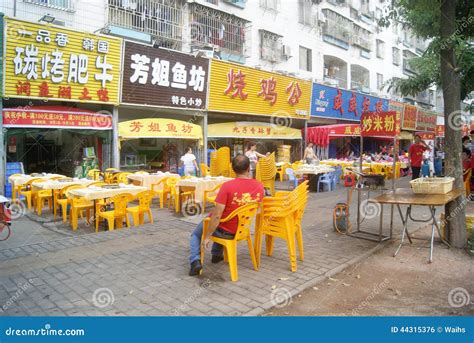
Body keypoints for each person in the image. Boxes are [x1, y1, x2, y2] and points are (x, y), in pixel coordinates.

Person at [188, 155, 265, 276]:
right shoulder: (259, 186)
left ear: (233, 169)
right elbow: (259, 210)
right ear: (249, 168)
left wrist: (207, 236)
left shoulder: (227, 186)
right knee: (223, 220)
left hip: (226, 230)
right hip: (243, 229)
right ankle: (217, 255)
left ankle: (195, 261)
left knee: (197, 234)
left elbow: (217, 215)